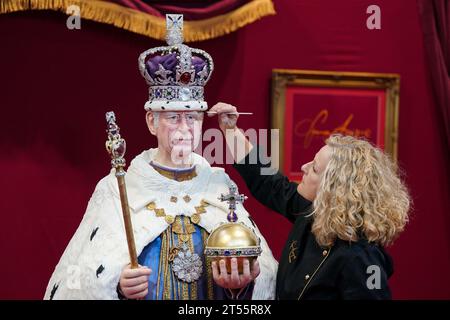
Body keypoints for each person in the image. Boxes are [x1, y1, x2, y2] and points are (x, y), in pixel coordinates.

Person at [44, 15, 277, 300]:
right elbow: (81, 278)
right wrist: (118, 286)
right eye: (173, 118)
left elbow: (262, 271)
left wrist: (243, 282)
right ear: (151, 122)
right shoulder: (118, 189)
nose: (185, 128)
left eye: (192, 117)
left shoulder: (220, 185)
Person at [209, 102, 411, 300]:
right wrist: (230, 130)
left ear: (333, 189)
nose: (304, 167)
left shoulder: (363, 257)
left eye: (314, 168)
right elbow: (270, 183)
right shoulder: (313, 213)